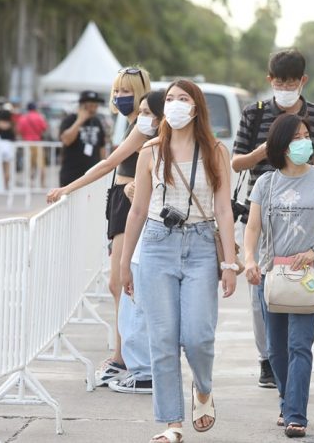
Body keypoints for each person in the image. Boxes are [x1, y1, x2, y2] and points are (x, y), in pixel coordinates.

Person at [120, 79, 237, 443]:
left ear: (196, 107)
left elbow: (223, 209)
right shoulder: (151, 151)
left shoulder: (215, 151)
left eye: (182, 98)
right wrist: (124, 263)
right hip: (157, 245)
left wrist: (230, 263)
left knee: (199, 335)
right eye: (169, 98)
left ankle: (203, 388)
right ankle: (172, 423)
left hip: (201, 244)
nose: (174, 104)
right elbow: (138, 210)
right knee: (163, 338)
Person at [47, 70, 153, 391]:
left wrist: (68, 187)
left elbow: (108, 163)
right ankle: (123, 356)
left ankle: (126, 359)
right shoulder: (133, 122)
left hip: (130, 202)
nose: (120, 96)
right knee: (119, 283)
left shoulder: (143, 124)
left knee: (122, 282)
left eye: (127, 90)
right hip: (121, 200)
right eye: (117, 90)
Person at [231, 49, 314, 389]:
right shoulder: (254, 113)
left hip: (303, 214)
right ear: (270, 80)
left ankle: (292, 355)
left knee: (301, 283)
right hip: (262, 210)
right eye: (280, 82)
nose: (285, 88)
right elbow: (236, 163)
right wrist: (266, 150)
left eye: (292, 82)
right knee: (261, 289)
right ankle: (268, 358)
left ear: (303, 81)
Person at [244, 113, 314, 439]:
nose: (303, 142)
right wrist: (249, 260)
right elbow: (253, 228)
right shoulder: (266, 183)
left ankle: (296, 415)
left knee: (300, 345)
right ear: (281, 144)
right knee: (275, 349)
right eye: (296, 137)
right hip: (271, 275)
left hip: (307, 276)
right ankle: (287, 401)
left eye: (305, 136)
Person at [58, 90, 106, 187]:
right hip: (72, 175)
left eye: (96, 106)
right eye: (90, 106)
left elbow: (102, 147)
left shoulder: (97, 122)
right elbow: (66, 140)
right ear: (82, 106)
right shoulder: (70, 120)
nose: (93, 109)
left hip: (92, 176)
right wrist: (80, 121)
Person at [17, 102, 48, 187]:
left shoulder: (23, 118)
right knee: (41, 165)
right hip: (37, 143)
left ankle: (30, 183)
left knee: (29, 165)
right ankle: (42, 184)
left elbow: (19, 131)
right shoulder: (39, 117)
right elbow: (44, 128)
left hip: (27, 144)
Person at [0, 109, 17, 189]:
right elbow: (15, 134)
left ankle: (1, 185)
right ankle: (6, 185)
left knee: (0, 168)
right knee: (7, 168)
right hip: (9, 145)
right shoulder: (11, 124)